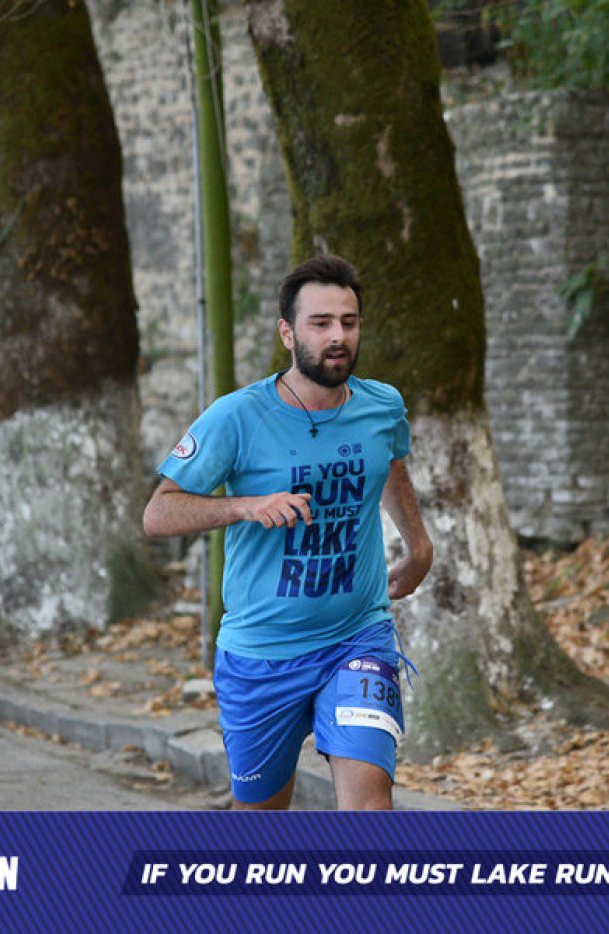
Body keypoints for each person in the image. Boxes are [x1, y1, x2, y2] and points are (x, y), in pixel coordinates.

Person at [142, 254, 432, 811]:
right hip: (262, 654)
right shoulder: (237, 417)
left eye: (348, 322)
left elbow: (390, 461)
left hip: (357, 636)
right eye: (320, 323)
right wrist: (245, 507)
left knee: (370, 805)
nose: (338, 336)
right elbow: (158, 514)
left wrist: (418, 546)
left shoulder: (382, 405)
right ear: (287, 333)